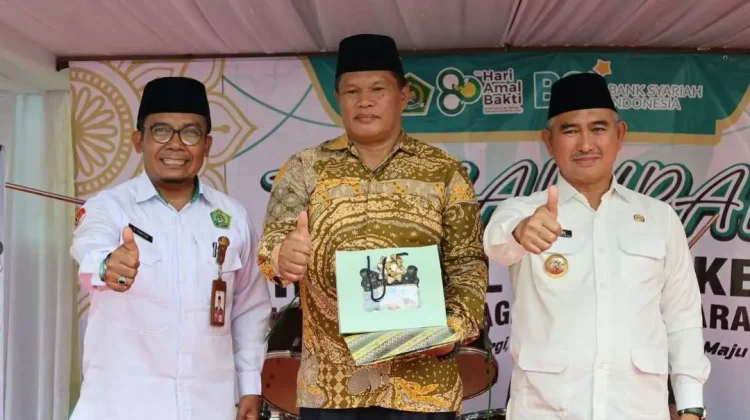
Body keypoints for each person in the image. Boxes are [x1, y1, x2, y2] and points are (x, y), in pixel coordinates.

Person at [257, 34, 488, 420]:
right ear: (338, 98)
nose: (364, 101)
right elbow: (272, 246)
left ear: (403, 95)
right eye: (352, 91)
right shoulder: (305, 168)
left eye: (377, 89)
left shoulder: (444, 171)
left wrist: (451, 331)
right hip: (332, 387)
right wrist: (282, 256)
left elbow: (468, 262)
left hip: (424, 386)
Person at [483, 72, 710, 420]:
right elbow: (496, 244)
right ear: (549, 141)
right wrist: (521, 232)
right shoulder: (522, 211)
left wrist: (691, 404)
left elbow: (682, 315)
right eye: (570, 131)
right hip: (546, 411)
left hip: (637, 410)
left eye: (598, 128)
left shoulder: (659, 217)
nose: (586, 144)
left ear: (620, 135)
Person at [70, 76, 272, 420]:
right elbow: (90, 249)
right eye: (161, 131)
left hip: (209, 405)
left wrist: (250, 385)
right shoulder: (109, 207)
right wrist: (108, 266)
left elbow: (249, 308)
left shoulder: (233, 217)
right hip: (120, 406)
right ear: (139, 140)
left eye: (190, 133)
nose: (176, 145)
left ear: (207, 145)